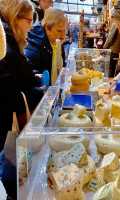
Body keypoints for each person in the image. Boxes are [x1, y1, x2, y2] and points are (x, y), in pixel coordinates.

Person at [0, 0, 42, 198]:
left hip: (9, 112)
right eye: (28, 21)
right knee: (9, 161)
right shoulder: (5, 39)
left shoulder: (9, 35)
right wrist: (33, 94)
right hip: (6, 113)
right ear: (16, 18)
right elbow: (9, 81)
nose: (31, 26)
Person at [25, 8, 68, 85]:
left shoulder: (56, 40)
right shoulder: (36, 43)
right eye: (59, 31)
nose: (63, 35)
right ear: (47, 28)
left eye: (65, 30)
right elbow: (31, 74)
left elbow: (62, 62)